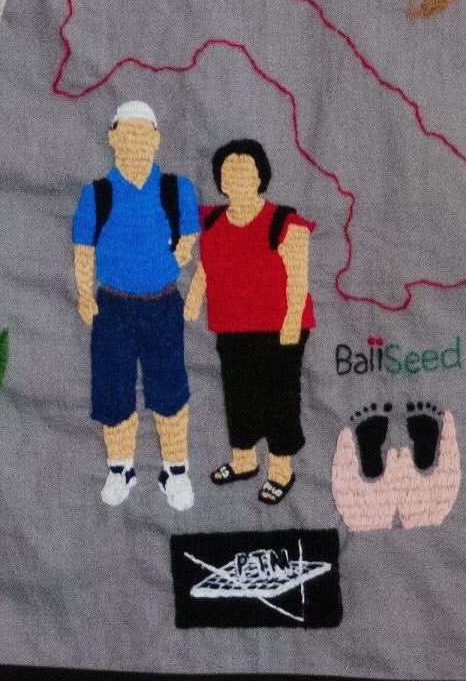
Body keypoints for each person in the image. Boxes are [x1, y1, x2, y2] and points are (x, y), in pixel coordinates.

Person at [71, 100, 201, 510]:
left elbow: (190, 234)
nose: (136, 141)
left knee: (170, 390)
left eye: (144, 134)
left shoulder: (177, 188)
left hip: (163, 304)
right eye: (127, 133)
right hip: (112, 306)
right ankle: (120, 469)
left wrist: (179, 254)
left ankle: (175, 471)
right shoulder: (97, 194)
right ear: (112, 138)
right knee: (114, 391)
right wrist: (84, 294)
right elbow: (83, 251)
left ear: (157, 139)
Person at [183, 139, 313, 505]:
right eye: (228, 172)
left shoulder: (284, 221)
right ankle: (243, 460)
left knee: (279, 398)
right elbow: (207, 264)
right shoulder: (212, 220)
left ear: (260, 176)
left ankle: (281, 470)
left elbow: (298, 277)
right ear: (220, 180)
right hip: (231, 326)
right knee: (238, 396)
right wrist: (194, 297)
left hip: (278, 329)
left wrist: (292, 321)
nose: (236, 178)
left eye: (245, 171)